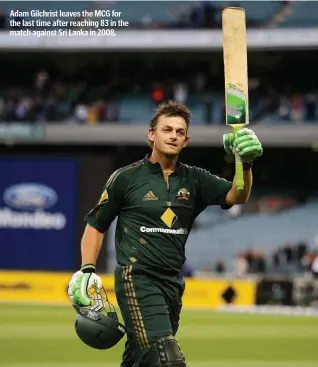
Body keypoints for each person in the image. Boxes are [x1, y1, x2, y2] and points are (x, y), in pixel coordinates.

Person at [68, 100, 263, 367]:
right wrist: (87, 269)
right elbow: (96, 224)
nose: (173, 135)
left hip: (172, 284)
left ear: (186, 141)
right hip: (136, 279)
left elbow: (237, 196)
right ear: (152, 134)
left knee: (141, 359)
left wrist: (245, 163)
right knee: (168, 359)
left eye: (179, 132)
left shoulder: (196, 179)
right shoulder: (125, 178)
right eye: (167, 129)